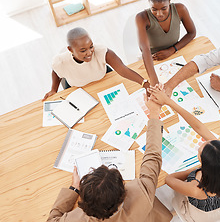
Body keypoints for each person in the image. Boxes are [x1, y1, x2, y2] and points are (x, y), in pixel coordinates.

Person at [46, 94, 173, 222]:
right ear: (123, 194)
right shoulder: (141, 193)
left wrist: (74, 188)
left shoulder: (77, 219)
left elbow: (52, 219)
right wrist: (154, 112)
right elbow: (153, 156)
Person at [148, 86, 220, 221]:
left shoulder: (196, 189)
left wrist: (193, 171)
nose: (201, 143)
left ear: (205, 166)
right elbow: (199, 127)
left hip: (203, 215)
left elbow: (169, 179)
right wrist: (168, 102)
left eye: (200, 152)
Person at [43, 27, 150, 101]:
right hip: (78, 89)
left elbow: (123, 69)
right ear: (70, 49)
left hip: (103, 80)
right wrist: (53, 89)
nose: (89, 53)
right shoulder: (61, 61)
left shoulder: (102, 51)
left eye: (91, 46)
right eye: (83, 50)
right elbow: (56, 72)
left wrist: (144, 83)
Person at [136, 0, 196, 85]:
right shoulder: (142, 18)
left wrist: (172, 50)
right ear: (149, 3)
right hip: (152, 60)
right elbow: (144, 49)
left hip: (176, 52)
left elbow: (192, 33)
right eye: (154, 9)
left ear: (169, 1)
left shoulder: (180, 9)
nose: (159, 14)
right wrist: (154, 79)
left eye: (164, 8)